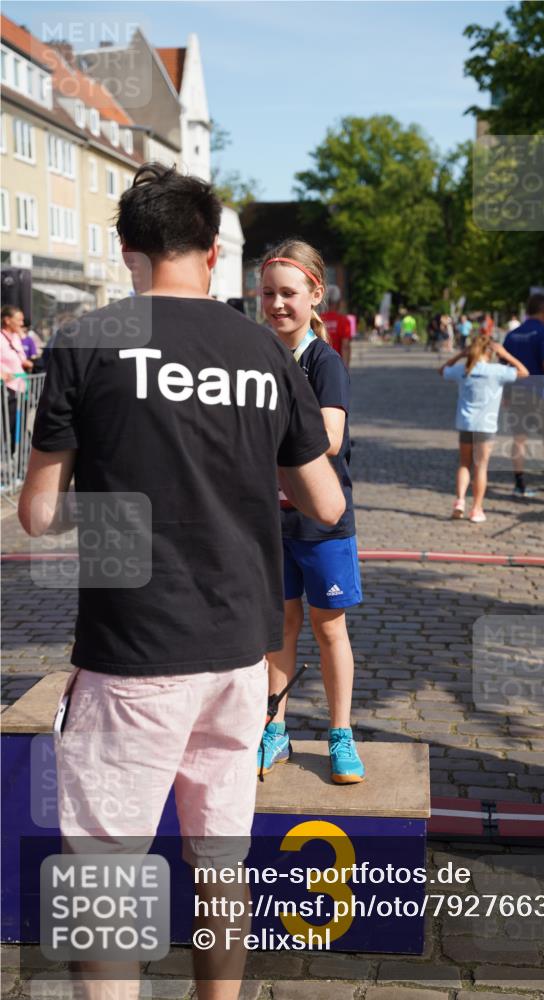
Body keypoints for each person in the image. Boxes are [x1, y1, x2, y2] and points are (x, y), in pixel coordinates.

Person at [18, 164, 345, 1000]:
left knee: (106, 874)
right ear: (210, 252)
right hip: (240, 650)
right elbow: (325, 500)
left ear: (128, 250)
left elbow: (38, 514)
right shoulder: (262, 350)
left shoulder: (87, 339)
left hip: (134, 649)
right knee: (220, 860)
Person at [258, 239, 364, 785]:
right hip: (267, 521)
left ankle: (341, 732)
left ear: (315, 295)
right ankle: (274, 725)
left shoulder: (324, 361)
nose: (277, 303)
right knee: (279, 627)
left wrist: (263, 438)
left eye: (288, 294)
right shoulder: (252, 356)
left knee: (329, 630)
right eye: (268, 293)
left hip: (321, 523)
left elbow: (329, 436)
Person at [441, 334, 528, 522]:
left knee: (464, 463)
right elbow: (524, 372)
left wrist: (460, 355)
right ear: (490, 352)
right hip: (486, 426)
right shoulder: (497, 371)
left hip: (465, 423)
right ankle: (477, 508)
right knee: (481, 467)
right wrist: (506, 354)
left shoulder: (464, 369)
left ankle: (460, 500)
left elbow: (442, 370)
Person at [503, 293, 544, 497]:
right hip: (540, 393)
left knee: (519, 439)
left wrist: (505, 393)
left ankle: (519, 483)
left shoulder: (512, 334)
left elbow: (504, 366)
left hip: (516, 391)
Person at [1, 305, 33, 454]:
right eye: (18, 320)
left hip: (20, 388)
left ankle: (16, 458)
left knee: (19, 426)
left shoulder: (15, 337)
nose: (22, 323)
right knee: (8, 425)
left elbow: (21, 358)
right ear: (7, 320)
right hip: (6, 389)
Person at [320, 284, 352, 368]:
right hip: (337, 365)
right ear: (338, 302)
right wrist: (345, 369)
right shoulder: (344, 321)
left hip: (320, 364)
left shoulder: (318, 320)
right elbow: (345, 346)